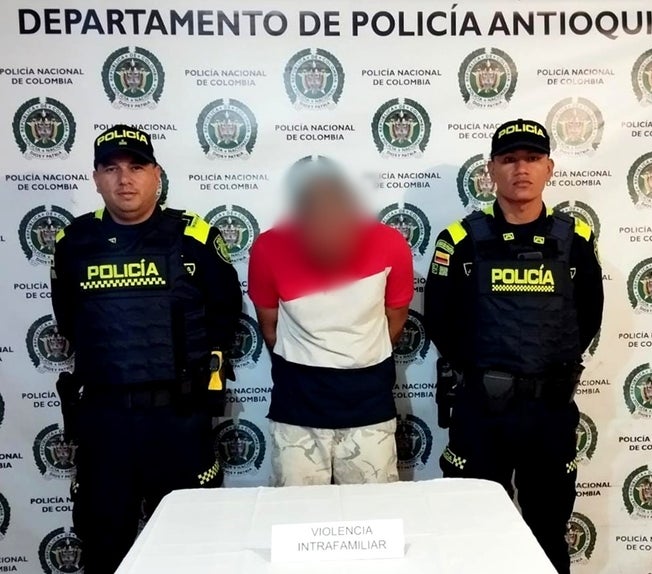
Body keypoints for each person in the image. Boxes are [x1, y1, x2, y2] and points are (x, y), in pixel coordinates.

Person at [51, 125, 241, 573]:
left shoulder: (195, 237)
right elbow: (70, 321)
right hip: (105, 423)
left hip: (177, 420)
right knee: (104, 547)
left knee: (189, 550)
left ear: (156, 174)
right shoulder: (73, 243)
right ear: (96, 178)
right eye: (111, 169)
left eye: (137, 167)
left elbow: (225, 315)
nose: (124, 179)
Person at [424, 119, 603, 574]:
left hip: (549, 414)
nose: (521, 169)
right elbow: (441, 322)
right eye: (508, 159)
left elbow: (588, 318)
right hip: (482, 414)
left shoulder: (576, 241)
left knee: (548, 535)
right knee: (474, 537)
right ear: (491, 170)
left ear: (549, 168)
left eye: (532, 158)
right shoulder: (459, 242)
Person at [248, 159, 413, 486]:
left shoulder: (390, 244)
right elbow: (270, 327)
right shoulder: (268, 248)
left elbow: (395, 321)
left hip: (370, 409)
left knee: (372, 513)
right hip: (296, 411)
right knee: (298, 514)